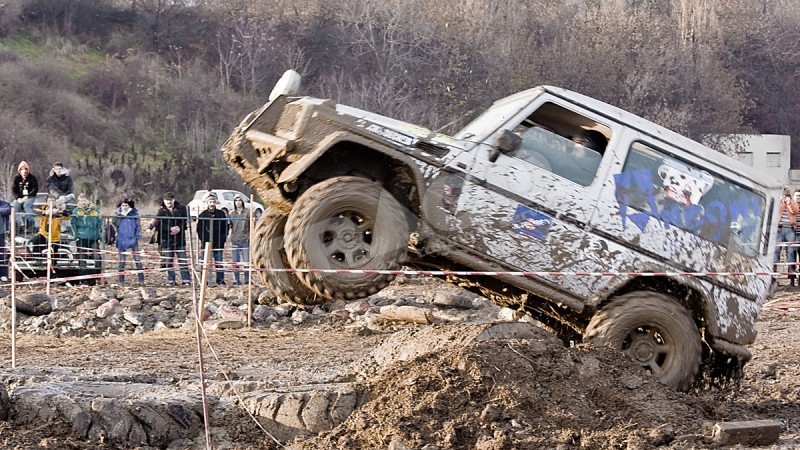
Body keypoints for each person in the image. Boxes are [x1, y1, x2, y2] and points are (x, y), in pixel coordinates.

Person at [148, 192, 191, 286]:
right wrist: (169, 229)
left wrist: (179, 228)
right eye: (167, 200)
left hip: (179, 238)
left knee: (183, 260)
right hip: (166, 239)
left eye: (170, 200)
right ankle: (171, 280)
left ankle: (186, 280)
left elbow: (185, 222)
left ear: (174, 200)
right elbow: (159, 225)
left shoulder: (182, 209)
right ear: (164, 201)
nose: (169, 202)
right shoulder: (161, 211)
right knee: (168, 261)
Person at [196, 193, 228, 286]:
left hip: (218, 242)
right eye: (210, 201)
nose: (212, 203)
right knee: (205, 263)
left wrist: (222, 239)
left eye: (213, 201)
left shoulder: (221, 214)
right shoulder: (203, 215)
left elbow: (225, 227)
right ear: (207, 203)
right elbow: (199, 229)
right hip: (206, 243)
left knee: (219, 262)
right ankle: (204, 280)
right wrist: (203, 239)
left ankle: (220, 280)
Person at [112, 198, 145, 285]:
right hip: (122, 239)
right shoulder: (118, 214)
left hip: (133, 238)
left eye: (126, 205)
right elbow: (114, 223)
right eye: (123, 205)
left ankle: (141, 280)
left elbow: (138, 226)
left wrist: (137, 236)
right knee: (122, 262)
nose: (125, 207)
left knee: (137, 260)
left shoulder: (134, 214)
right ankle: (121, 281)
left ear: (129, 206)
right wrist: (117, 216)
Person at [70, 193, 102, 280]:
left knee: (97, 256)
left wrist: (100, 234)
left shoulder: (95, 210)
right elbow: (72, 224)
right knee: (81, 257)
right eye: (80, 201)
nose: (82, 202)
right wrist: (75, 235)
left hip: (93, 237)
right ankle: (82, 277)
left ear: (88, 201)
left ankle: (98, 276)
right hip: (81, 237)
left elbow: (100, 223)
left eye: (84, 200)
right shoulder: (76, 211)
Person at [774, 186, 798, 285]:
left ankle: (791, 273)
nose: (784, 197)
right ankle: (774, 272)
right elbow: (775, 212)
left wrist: (788, 203)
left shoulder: (792, 203)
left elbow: (794, 211)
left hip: (790, 228)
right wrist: (780, 202)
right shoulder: (777, 202)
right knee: (776, 251)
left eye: (786, 195)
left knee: (791, 251)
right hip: (779, 228)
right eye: (783, 195)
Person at [28, 194, 63, 259]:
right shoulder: (43, 208)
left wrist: (57, 212)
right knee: (35, 241)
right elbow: (35, 212)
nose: (51, 202)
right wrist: (45, 212)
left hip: (54, 235)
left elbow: (67, 215)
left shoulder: (59, 209)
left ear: (56, 202)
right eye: (49, 201)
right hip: (43, 233)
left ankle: (53, 265)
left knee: (54, 253)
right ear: (47, 202)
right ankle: (37, 259)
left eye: (53, 201)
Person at [228, 196, 250, 285]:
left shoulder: (248, 212)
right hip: (235, 240)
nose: (238, 202)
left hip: (245, 240)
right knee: (235, 261)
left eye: (239, 200)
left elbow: (251, 225)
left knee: (246, 262)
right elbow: (230, 226)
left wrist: (249, 237)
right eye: (236, 200)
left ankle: (247, 279)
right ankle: (236, 280)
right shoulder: (231, 213)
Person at [11, 161, 38, 232]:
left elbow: (35, 189)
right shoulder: (16, 178)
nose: (24, 171)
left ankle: (31, 224)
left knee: (27, 206)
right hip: (19, 197)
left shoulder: (32, 178)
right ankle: (17, 225)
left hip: (29, 197)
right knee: (14, 207)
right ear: (19, 170)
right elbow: (13, 190)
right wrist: (18, 198)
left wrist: (27, 196)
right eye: (22, 169)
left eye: (25, 169)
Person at [0, 194, 10, 282]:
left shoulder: (4, 203)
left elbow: (7, 210)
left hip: (0, 233)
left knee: (1, 254)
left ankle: (3, 274)